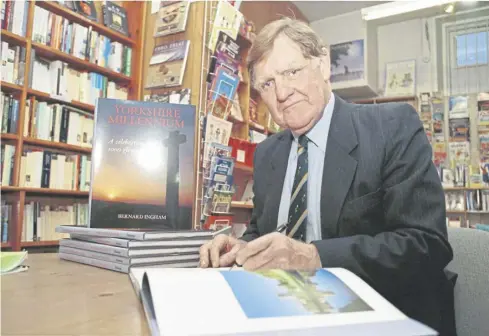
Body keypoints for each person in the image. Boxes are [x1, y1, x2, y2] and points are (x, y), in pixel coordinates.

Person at [199, 17, 456, 336]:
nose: (282, 93)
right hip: (284, 311)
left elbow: (426, 244)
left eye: (292, 72)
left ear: (322, 65)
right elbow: (261, 230)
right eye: (267, 84)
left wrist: (312, 256)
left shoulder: (390, 128)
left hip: (378, 315)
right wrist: (240, 248)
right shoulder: (267, 154)